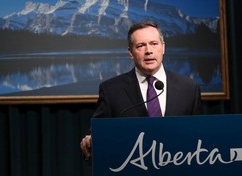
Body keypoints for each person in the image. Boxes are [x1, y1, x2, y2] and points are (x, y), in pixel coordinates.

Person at [80, 21, 202, 160]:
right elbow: (99, 131)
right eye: (141, 46)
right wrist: (91, 140)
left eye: (154, 44)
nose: (148, 51)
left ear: (163, 48)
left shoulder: (189, 88)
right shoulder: (111, 90)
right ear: (130, 52)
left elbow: (197, 135)